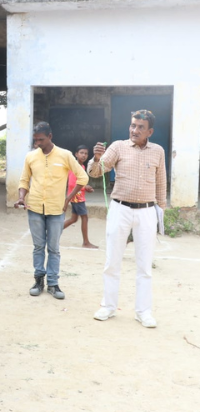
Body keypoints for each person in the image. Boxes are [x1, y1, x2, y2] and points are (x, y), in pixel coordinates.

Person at [88, 110, 166, 328]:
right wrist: (96, 158)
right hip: (120, 209)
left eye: (141, 127)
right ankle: (108, 306)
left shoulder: (158, 151)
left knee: (144, 265)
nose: (135, 130)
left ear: (150, 131)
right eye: (133, 125)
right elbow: (96, 172)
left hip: (147, 211)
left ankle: (143, 312)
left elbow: (161, 183)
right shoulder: (118, 147)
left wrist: (161, 212)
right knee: (112, 261)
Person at [15, 122, 88, 300]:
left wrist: (68, 198)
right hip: (34, 208)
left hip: (56, 209)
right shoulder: (31, 157)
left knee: (54, 249)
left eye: (41, 139)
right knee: (38, 247)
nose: (37, 143)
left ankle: (53, 284)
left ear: (50, 136)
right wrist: (21, 197)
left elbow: (83, 178)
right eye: (35, 140)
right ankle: (38, 281)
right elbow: (24, 180)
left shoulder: (65, 155)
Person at [63, 145, 98, 248]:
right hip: (76, 197)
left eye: (86, 153)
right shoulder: (75, 167)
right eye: (81, 153)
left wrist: (85, 187)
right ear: (76, 154)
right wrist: (84, 187)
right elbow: (72, 184)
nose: (84, 155)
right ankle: (86, 242)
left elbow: (78, 182)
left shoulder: (81, 167)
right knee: (84, 217)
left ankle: (52, 232)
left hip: (77, 196)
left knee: (73, 219)